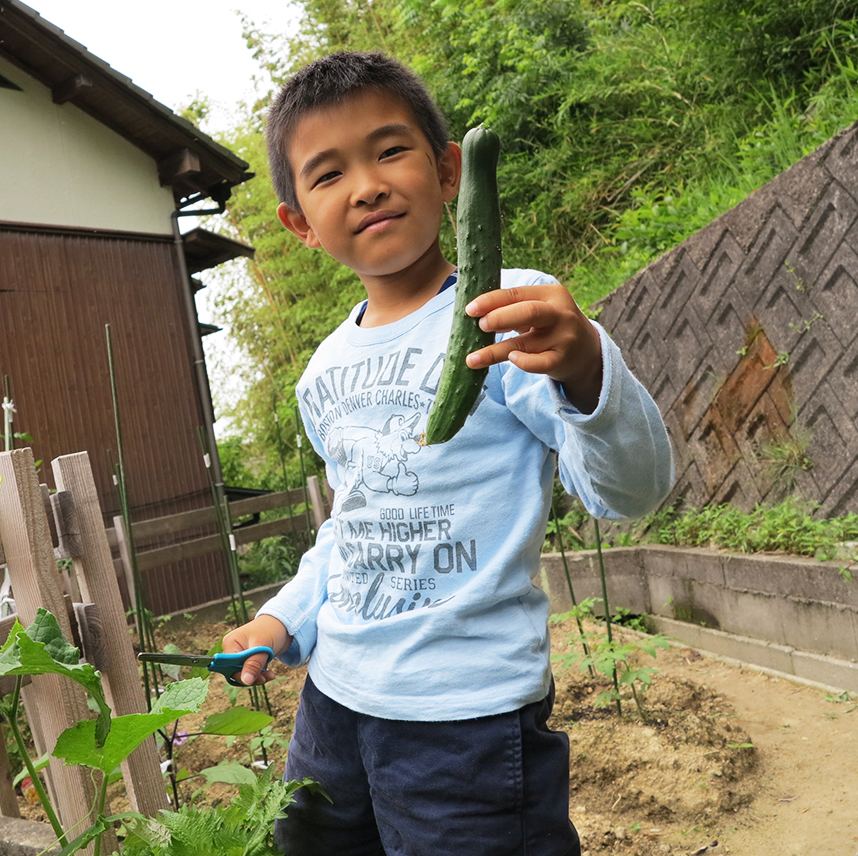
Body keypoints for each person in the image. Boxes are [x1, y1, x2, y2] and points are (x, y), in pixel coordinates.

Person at [221, 51, 674, 856]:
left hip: (464, 720)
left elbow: (630, 493)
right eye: (328, 174)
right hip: (332, 707)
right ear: (299, 222)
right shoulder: (321, 374)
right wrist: (283, 616)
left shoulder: (513, 314)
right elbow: (350, 531)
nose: (366, 185)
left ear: (448, 171)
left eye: (390, 151)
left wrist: (586, 367)